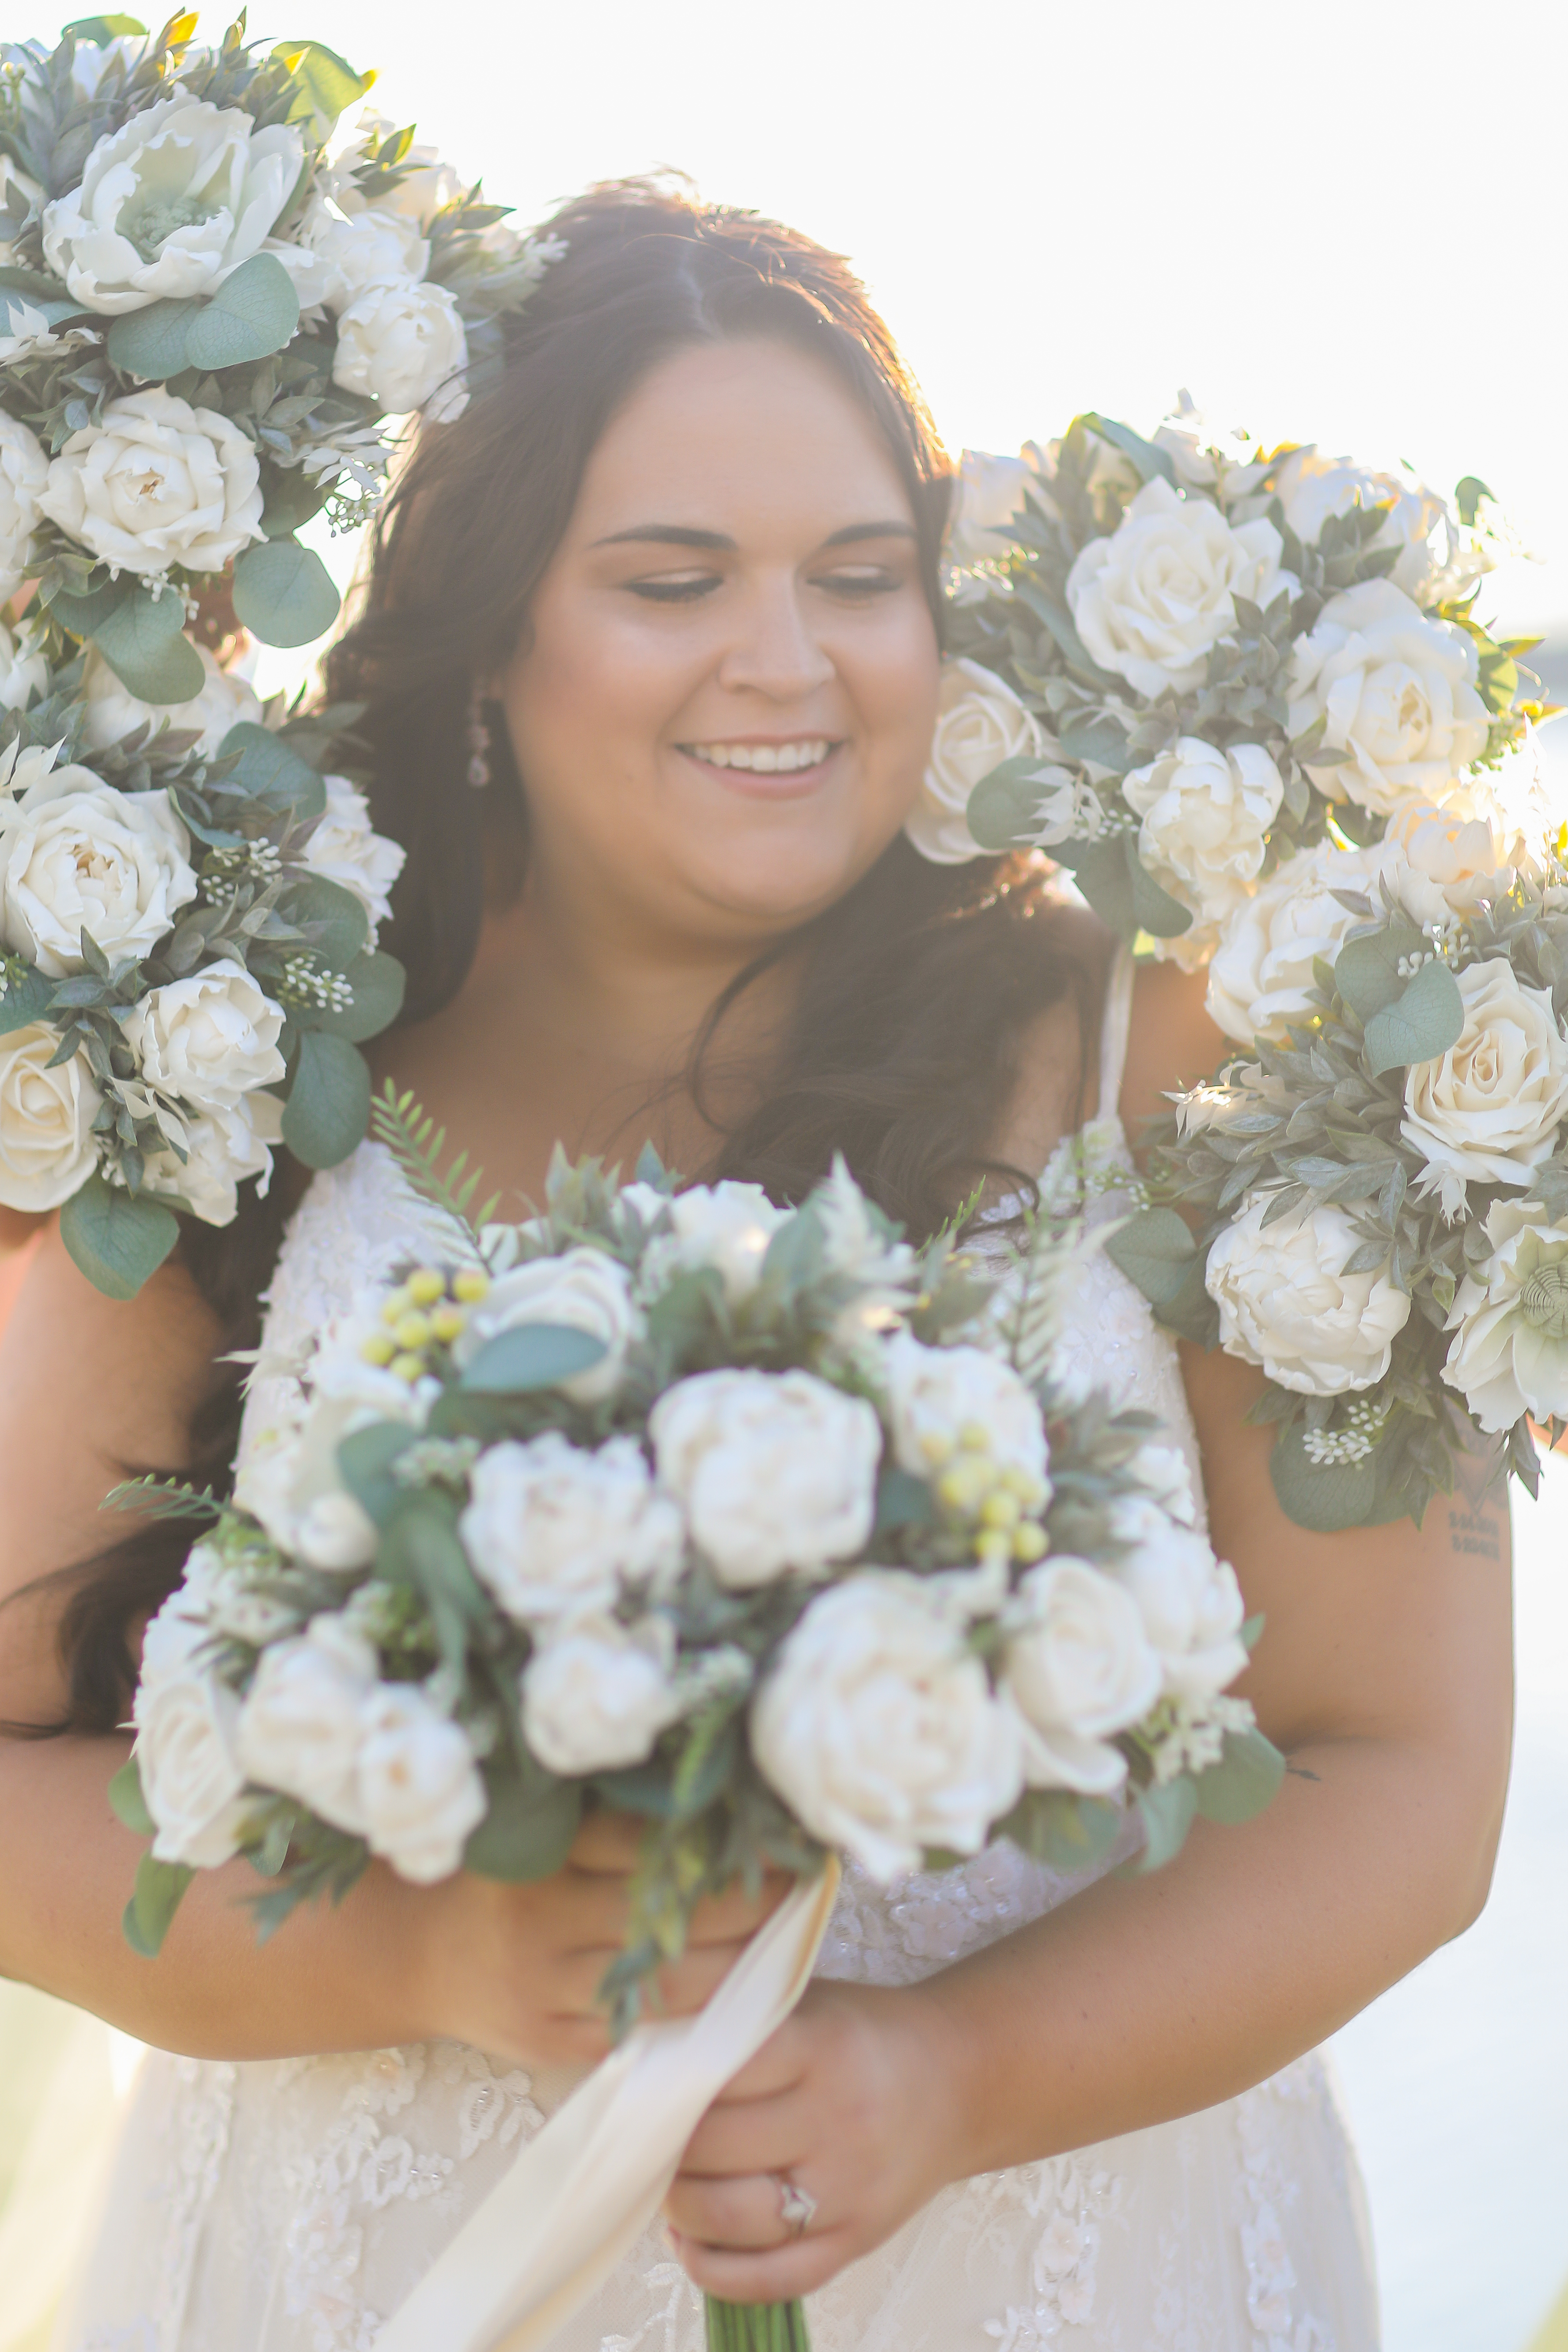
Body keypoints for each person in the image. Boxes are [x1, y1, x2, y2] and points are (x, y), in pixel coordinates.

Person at [0, 186, 1511, 2351]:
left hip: (1050, 2267)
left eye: (860, 579)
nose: (788, 660)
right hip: (389, 2270)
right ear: (497, 635)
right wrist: (412, 1958)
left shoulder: (1183, 1051)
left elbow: (1411, 1785)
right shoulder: (245, 1068)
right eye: (671, 580)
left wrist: (949, 2075)